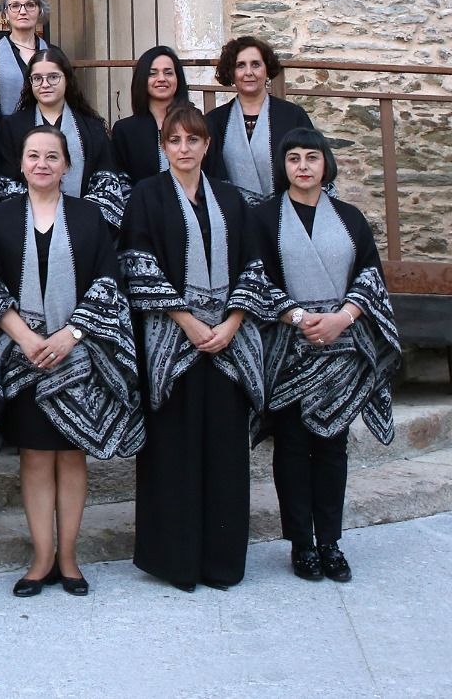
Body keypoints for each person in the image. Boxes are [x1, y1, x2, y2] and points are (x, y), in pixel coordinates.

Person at [0, 127, 144, 598]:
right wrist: (27, 338)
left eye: (53, 156)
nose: (43, 164)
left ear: (67, 165)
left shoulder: (89, 217)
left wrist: (70, 335)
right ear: (22, 164)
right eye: (34, 155)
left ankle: (69, 558)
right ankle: (41, 557)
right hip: (23, 357)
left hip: (78, 356)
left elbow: (107, 283)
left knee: (72, 456)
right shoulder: (1, 219)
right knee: (34, 457)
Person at [120, 104, 269, 592]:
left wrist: (231, 322)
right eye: (174, 141)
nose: (184, 149)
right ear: (163, 147)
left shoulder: (231, 199)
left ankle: (221, 562)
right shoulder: (146, 195)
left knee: (224, 453)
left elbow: (253, 266)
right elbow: (138, 262)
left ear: (207, 146)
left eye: (193, 140)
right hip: (172, 342)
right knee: (174, 452)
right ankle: (176, 562)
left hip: (228, 341)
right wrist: (186, 320)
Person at [252, 128, 400, 583]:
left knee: (332, 446)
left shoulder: (350, 218)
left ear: (325, 164)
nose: (302, 166)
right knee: (293, 447)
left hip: (342, 347)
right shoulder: (263, 218)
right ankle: (301, 544)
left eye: (311, 157)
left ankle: (331, 543)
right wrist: (296, 317)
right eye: (293, 158)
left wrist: (344, 317)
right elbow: (255, 278)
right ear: (283, 167)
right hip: (289, 348)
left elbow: (370, 276)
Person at [0, 46, 129, 230]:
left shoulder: (92, 127)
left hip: (84, 229)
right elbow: (7, 184)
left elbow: (105, 183)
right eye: (37, 78)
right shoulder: (12, 127)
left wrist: (78, 217)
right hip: (27, 228)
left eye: (53, 77)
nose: (45, 84)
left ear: (66, 79)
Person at [206, 35, 316, 205]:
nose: (249, 72)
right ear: (231, 72)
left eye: (255, 64)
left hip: (287, 213)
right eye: (240, 65)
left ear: (266, 70)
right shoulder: (215, 121)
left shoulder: (293, 116)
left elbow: (314, 164)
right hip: (232, 216)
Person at [112, 45, 191, 186]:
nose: (161, 79)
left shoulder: (196, 124)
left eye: (168, 73)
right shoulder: (125, 130)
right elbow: (121, 182)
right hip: (142, 206)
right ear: (142, 79)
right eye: (152, 73)